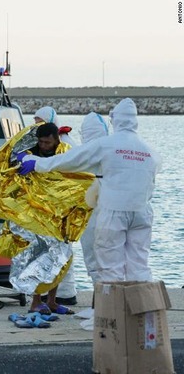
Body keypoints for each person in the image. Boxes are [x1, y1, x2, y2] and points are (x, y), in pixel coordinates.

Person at [20, 98, 160, 283]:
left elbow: (69, 160)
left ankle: (109, 310)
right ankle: (143, 310)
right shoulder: (150, 151)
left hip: (114, 211)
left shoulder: (107, 145)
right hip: (142, 212)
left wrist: (36, 163)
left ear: (115, 120)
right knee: (139, 265)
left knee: (110, 266)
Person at [18, 123, 74, 314]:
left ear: (56, 140)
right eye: (40, 142)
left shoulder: (65, 154)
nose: (43, 146)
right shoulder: (30, 154)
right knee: (38, 257)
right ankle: (35, 302)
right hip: (38, 214)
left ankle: (51, 301)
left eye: (47, 142)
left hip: (60, 213)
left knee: (59, 257)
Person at [78, 112, 110, 284]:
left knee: (94, 262)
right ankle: (115, 304)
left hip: (91, 215)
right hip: (116, 214)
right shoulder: (115, 150)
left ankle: (101, 305)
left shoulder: (82, 153)